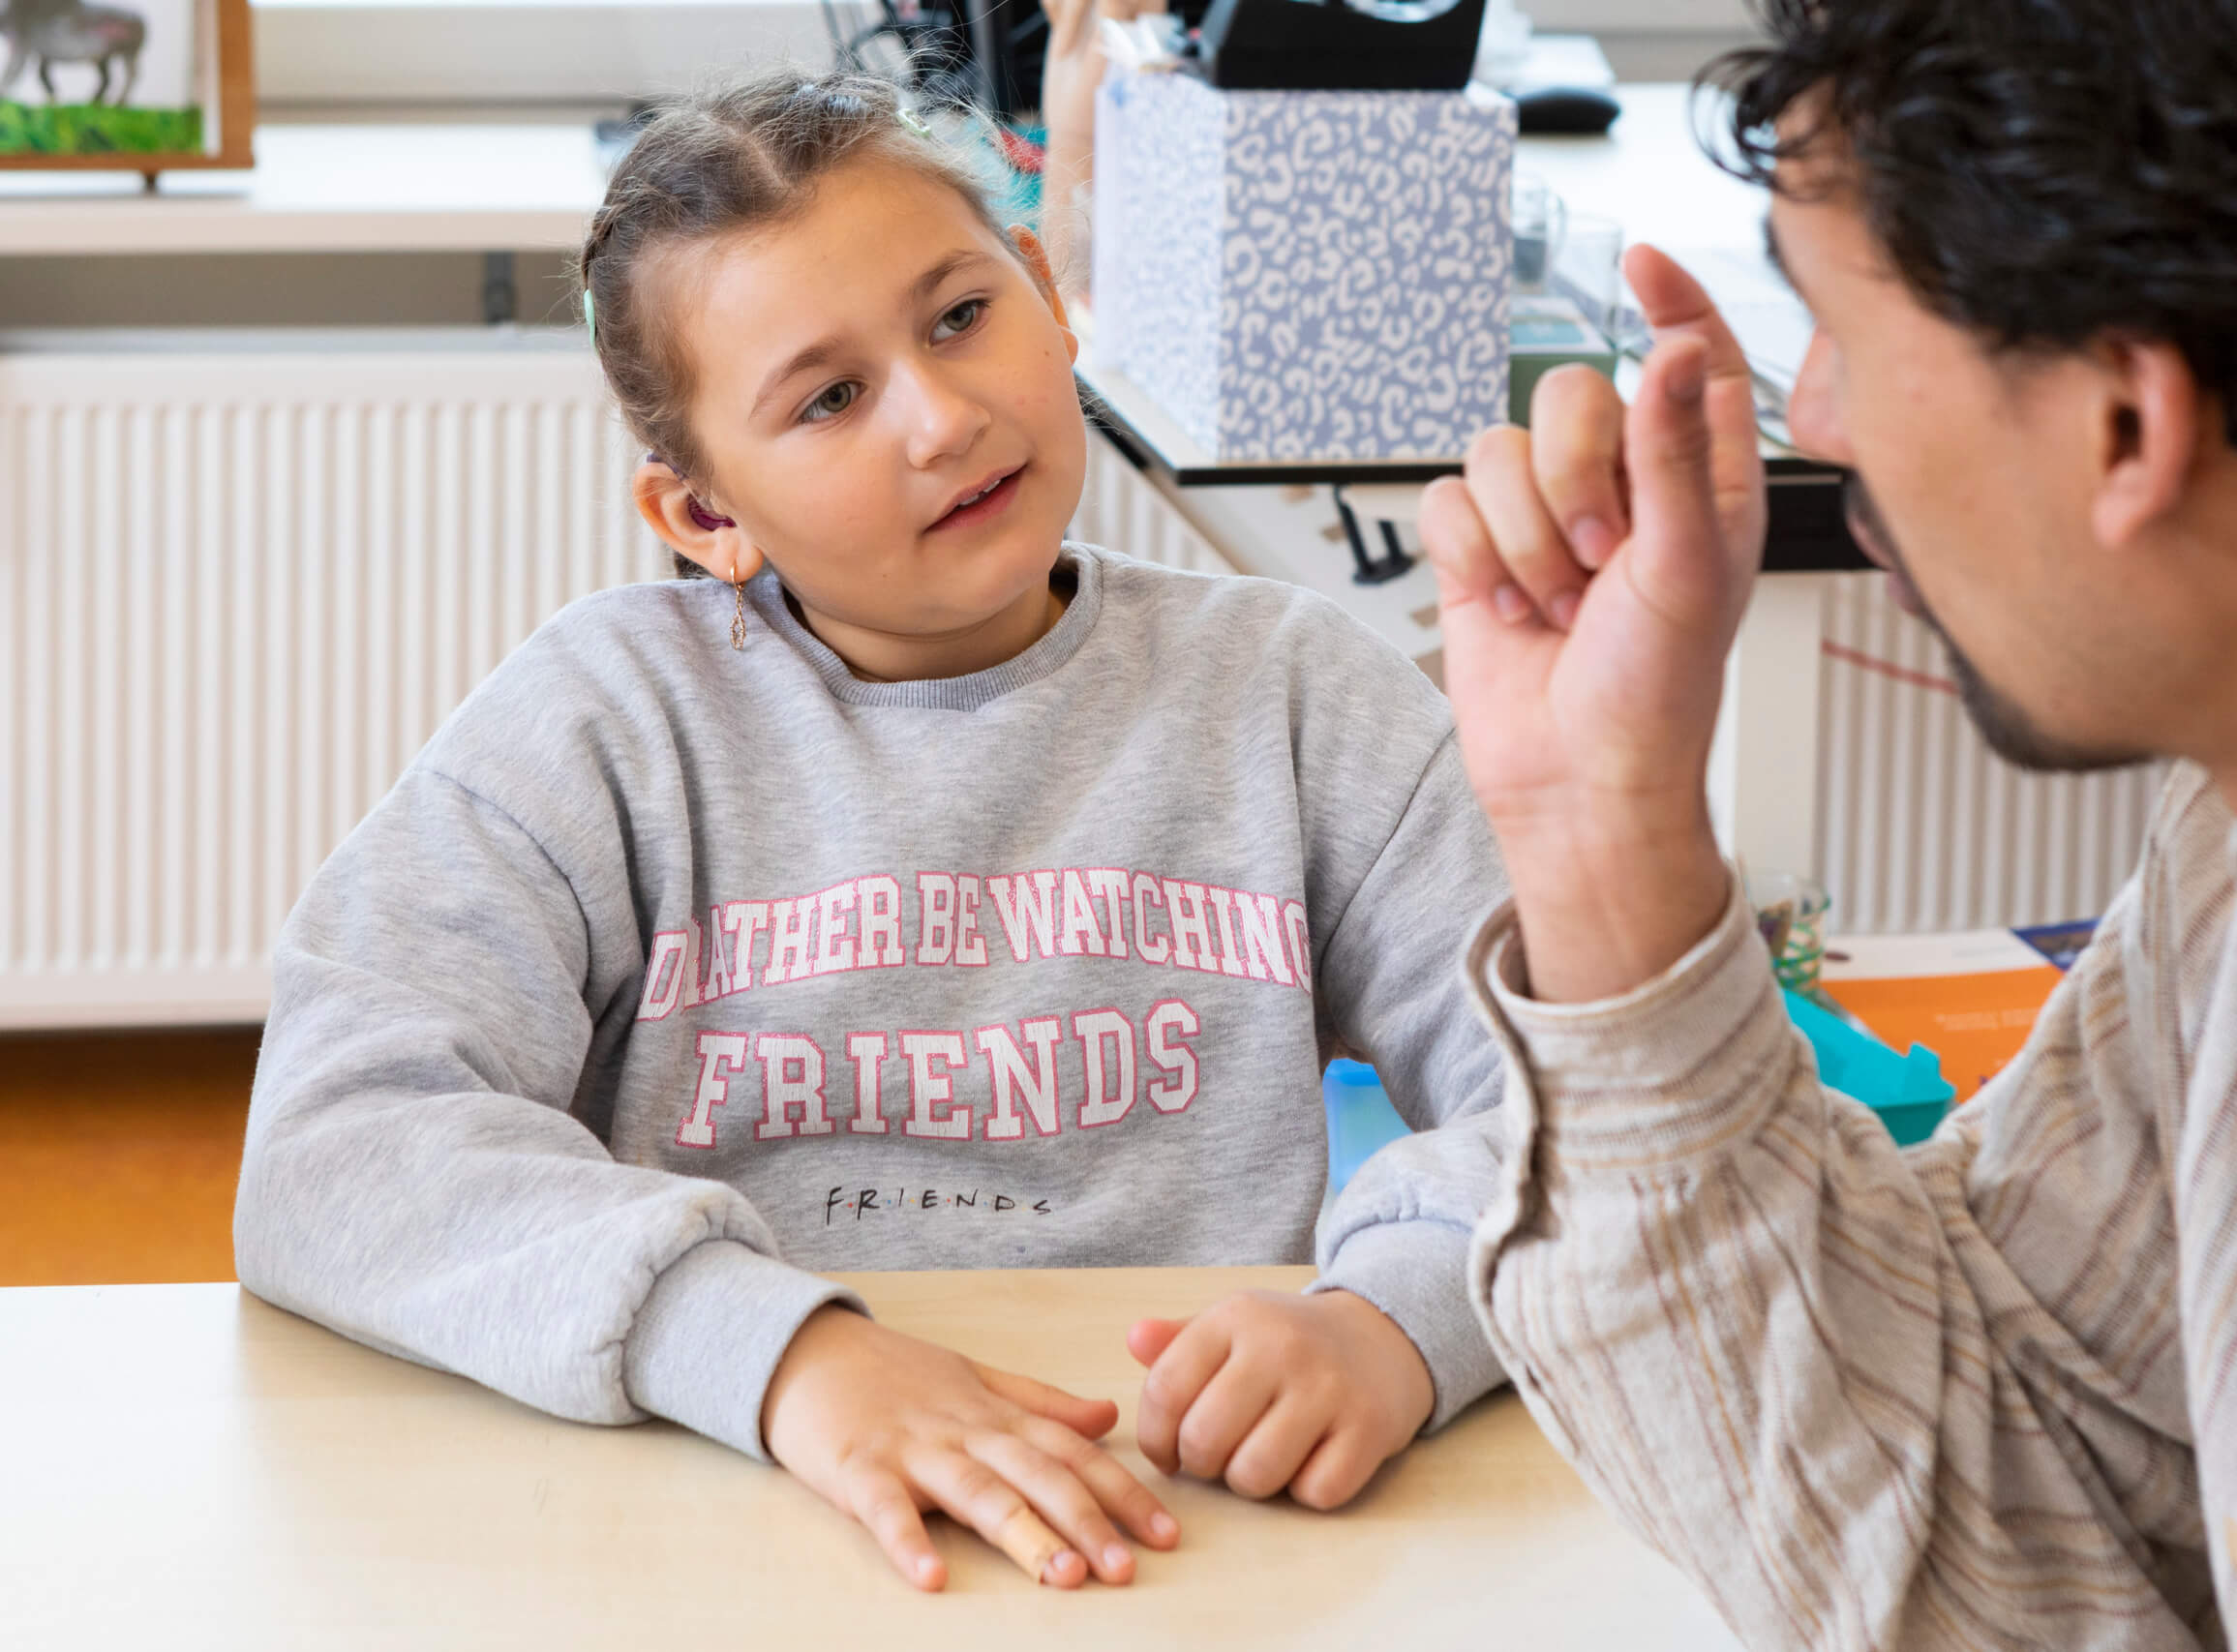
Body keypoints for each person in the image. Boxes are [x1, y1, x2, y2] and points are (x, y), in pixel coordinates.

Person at [234, 69, 1510, 1595]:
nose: (944, 415)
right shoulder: (599, 722)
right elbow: (335, 1148)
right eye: (829, 398)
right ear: (707, 516)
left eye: (962, 315)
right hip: (730, 1507)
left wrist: (1396, 1318)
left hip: (1190, 1529)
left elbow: (1596, 1100)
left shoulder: (1302, 697)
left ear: (1045, 290)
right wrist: (780, 1358)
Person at [1418, 0, 2237, 1645]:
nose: (1812, 416)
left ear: (2126, 420)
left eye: (1839, 329)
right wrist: (1601, 838)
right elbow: (2015, 1469)